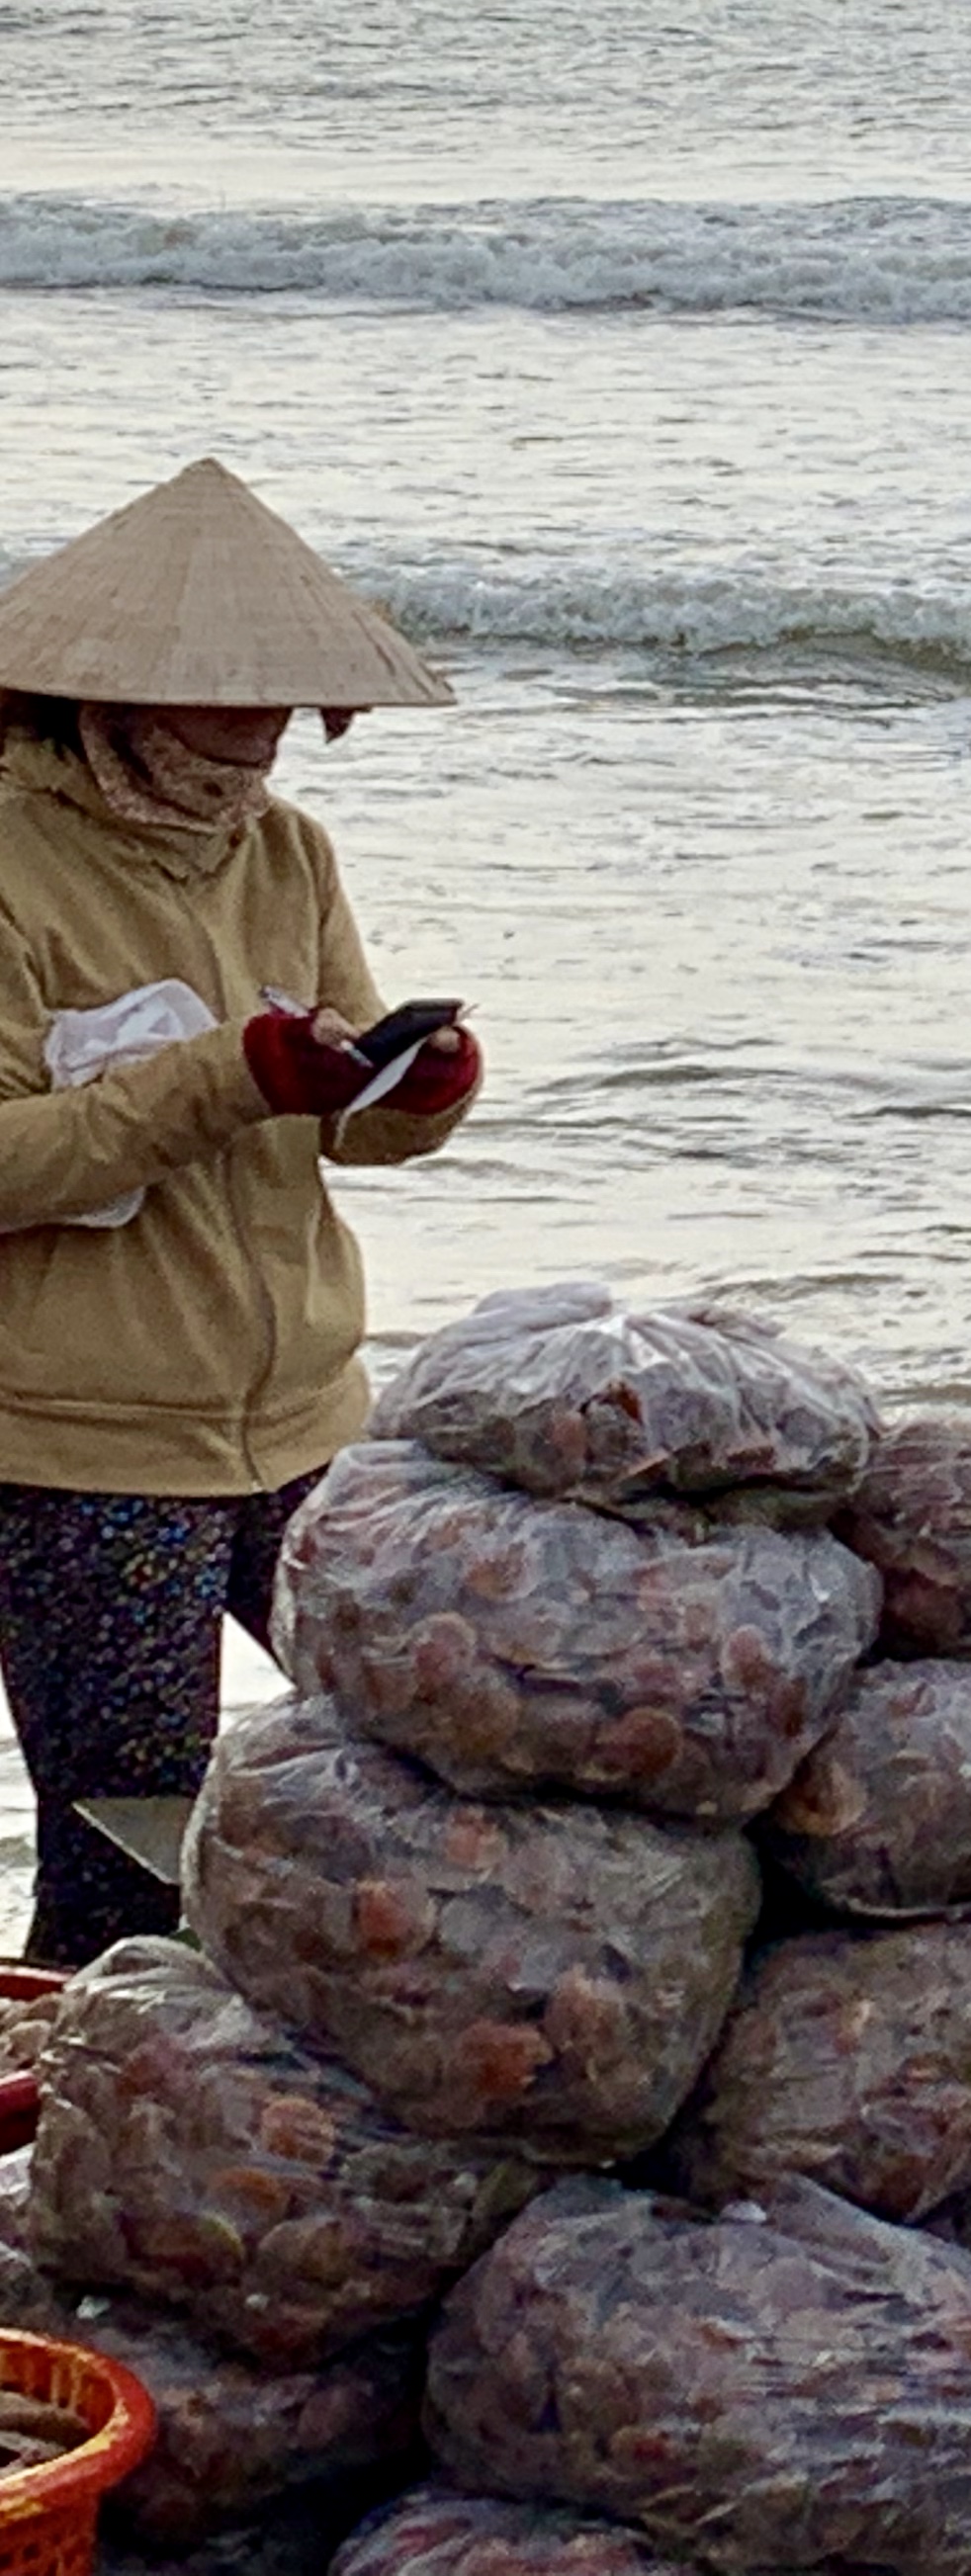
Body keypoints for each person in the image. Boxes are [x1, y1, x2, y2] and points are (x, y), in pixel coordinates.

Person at [0, 460, 480, 1963]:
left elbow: (328, 1123)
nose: (260, 739)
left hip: (306, 1423)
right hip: (85, 1454)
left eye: (281, 705)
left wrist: (409, 1092)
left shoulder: (288, 851)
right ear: (113, 702)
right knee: (132, 1855)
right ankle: (89, 2138)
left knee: (437, 1766)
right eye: (224, 704)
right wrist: (224, 1076)